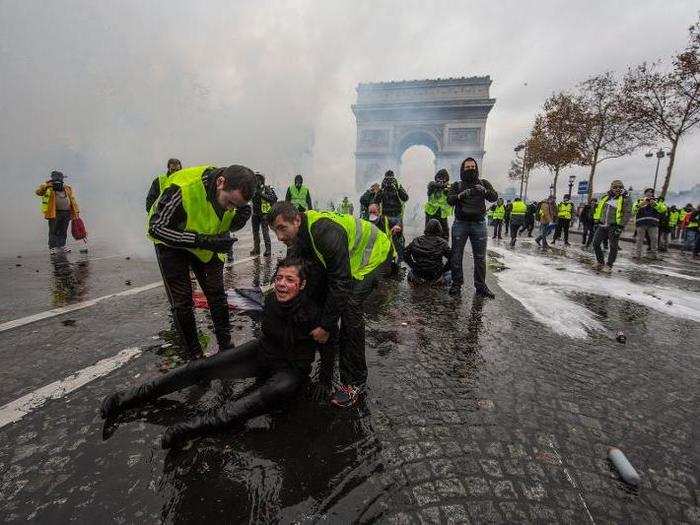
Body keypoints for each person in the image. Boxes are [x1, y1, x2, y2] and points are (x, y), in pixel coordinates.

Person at [100, 257, 323, 449]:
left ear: (302, 285)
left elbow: (328, 347)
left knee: (243, 405)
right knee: (200, 367)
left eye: (290, 280)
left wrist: (325, 381)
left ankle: (188, 429)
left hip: (290, 371)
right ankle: (127, 398)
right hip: (263, 353)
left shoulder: (315, 315)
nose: (282, 284)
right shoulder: (271, 300)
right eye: (279, 278)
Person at [269, 201, 391, 408]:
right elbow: (295, 275)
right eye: (274, 231)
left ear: (297, 220)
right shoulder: (297, 237)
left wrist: (325, 326)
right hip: (348, 258)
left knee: (350, 306)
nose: (279, 237)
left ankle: (354, 382)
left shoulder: (325, 233)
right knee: (314, 290)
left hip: (374, 255)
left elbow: (340, 282)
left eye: (282, 228)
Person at [148, 164, 255, 358]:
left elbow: (228, 217)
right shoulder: (183, 188)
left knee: (216, 294)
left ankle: (226, 347)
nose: (231, 208)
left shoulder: (237, 196)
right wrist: (201, 241)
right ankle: (194, 355)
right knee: (182, 301)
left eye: (236, 205)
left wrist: (239, 220)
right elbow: (155, 227)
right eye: (229, 202)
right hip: (172, 244)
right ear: (221, 183)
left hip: (208, 244)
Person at [446, 157, 498, 298]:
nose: (471, 169)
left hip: (479, 224)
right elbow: (449, 200)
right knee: (456, 255)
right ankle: (456, 284)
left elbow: (494, 197)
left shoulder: (484, 183)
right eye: (468, 167)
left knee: (480, 258)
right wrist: (460, 195)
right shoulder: (456, 185)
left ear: (476, 168)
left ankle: (480, 286)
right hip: (460, 223)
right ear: (463, 169)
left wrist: (485, 191)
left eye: (473, 167)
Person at [35, 171, 81, 255]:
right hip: (54, 213)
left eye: (61, 178)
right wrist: (46, 185)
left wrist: (76, 210)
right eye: (60, 178)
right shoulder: (48, 187)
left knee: (63, 230)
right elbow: (38, 192)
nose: (60, 179)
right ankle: (52, 247)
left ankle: (62, 245)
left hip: (66, 212)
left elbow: (72, 200)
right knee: (53, 230)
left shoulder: (67, 188)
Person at [591, 180, 632, 272]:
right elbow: (599, 209)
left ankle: (609, 265)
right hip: (602, 224)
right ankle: (600, 262)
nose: (617, 189)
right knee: (595, 243)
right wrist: (596, 221)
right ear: (611, 188)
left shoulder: (626, 198)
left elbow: (627, 213)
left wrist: (621, 226)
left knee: (613, 246)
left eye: (620, 187)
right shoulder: (606, 197)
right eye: (615, 187)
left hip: (614, 225)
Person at [373, 170, 408, 263]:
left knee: (396, 236)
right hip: (388, 216)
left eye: (391, 178)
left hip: (394, 216)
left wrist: (397, 188)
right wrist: (382, 189)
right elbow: (376, 200)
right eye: (388, 178)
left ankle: (399, 257)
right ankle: (391, 256)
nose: (389, 180)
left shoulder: (397, 186)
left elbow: (405, 198)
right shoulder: (384, 188)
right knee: (388, 236)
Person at [405, 218, 451, 284]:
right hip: (435, 273)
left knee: (411, 272)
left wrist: (413, 266)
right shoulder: (442, 243)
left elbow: (405, 254)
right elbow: (452, 258)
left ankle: (417, 278)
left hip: (420, 272)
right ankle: (440, 280)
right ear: (439, 229)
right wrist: (443, 270)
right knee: (452, 274)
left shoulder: (416, 240)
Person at [368, 203, 402, 273]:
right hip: (374, 253)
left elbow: (398, 220)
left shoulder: (385, 220)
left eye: (374, 212)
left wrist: (397, 226)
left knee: (392, 272)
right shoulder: (366, 222)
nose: (372, 214)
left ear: (379, 212)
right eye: (370, 212)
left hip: (388, 251)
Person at [249, 172, 277, 257]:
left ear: (262, 180)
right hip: (255, 214)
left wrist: (261, 194)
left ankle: (268, 250)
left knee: (265, 232)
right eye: (256, 179)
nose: (257, 181)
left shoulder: (266, 188)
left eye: (259, 179)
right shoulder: (252, 189)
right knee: (255, 233)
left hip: (264, 214)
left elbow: (273, 198)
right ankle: (256, 249)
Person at [632, 188, 664, 259]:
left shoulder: (657, 201)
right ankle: (638, 254)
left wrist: (655, 204)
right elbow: (633, 211)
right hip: (641, 223)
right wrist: (641, 204)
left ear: (653, 194)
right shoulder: (639, 200)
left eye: (651, 192)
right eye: (647, 192)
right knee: (640, 239)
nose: (649, 193)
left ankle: (654, 255)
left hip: (653, 223)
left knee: (654, 239)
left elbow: (663, 209)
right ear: (645, 193)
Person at [424, 169, 452, 241]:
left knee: (444, 236)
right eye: (439, 178)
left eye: (444, 178)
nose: (441, 180)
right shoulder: (432, 185)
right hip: (431, 214)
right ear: (436, 178)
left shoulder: (448, 187)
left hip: (442, 215)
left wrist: (447, 188)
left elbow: (451, 196)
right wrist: (441, 185)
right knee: (429, 235)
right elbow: (432, 185)